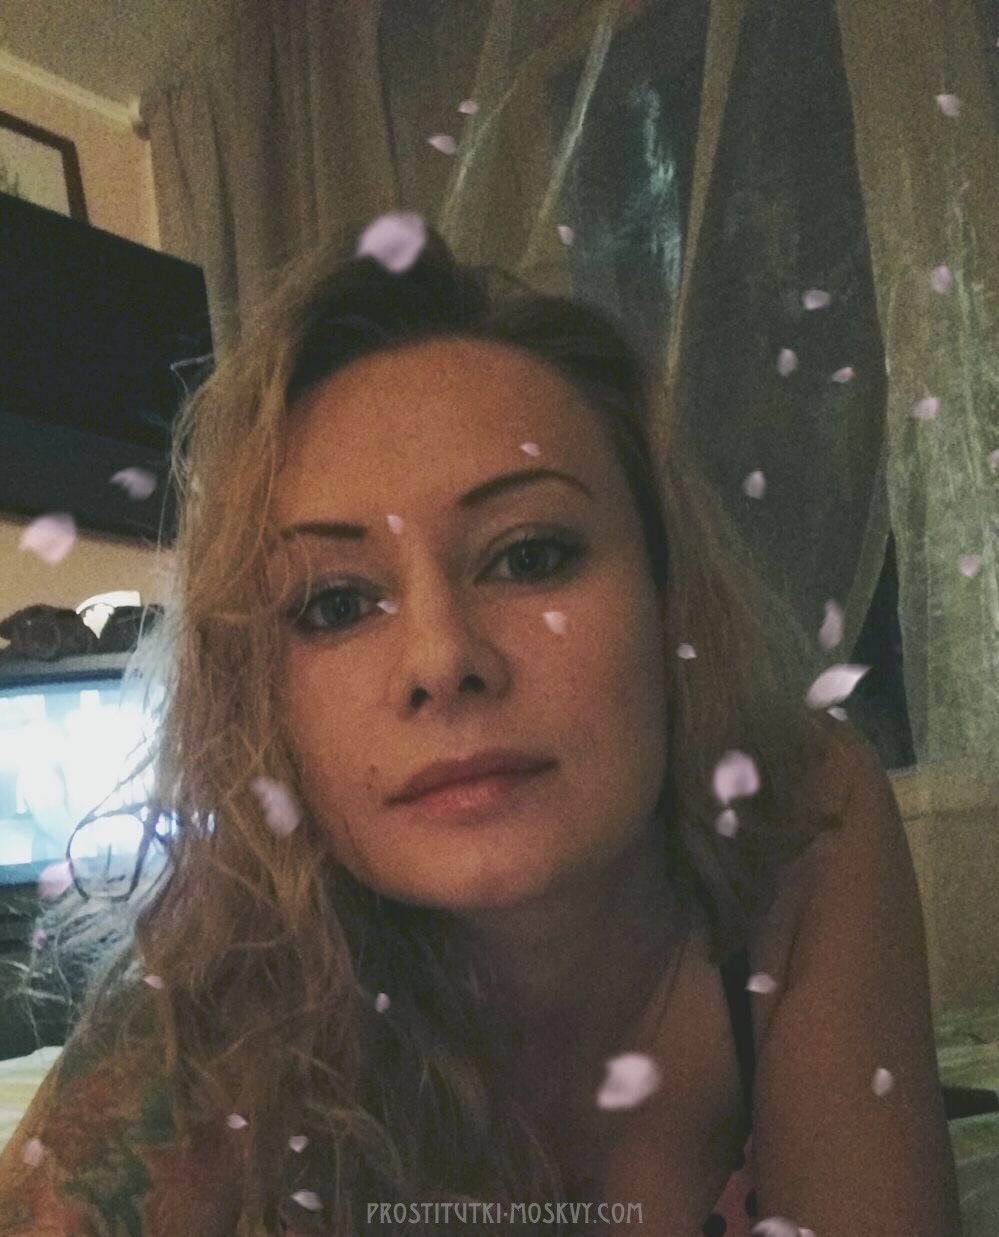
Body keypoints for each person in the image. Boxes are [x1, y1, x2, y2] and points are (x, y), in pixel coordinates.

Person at [0, 214, 961, 1235]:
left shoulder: (800, 810)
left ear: (667, 600)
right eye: (333, 604)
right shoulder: (221, 993)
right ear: (258, 702)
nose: (441, 659)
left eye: (529, 555)